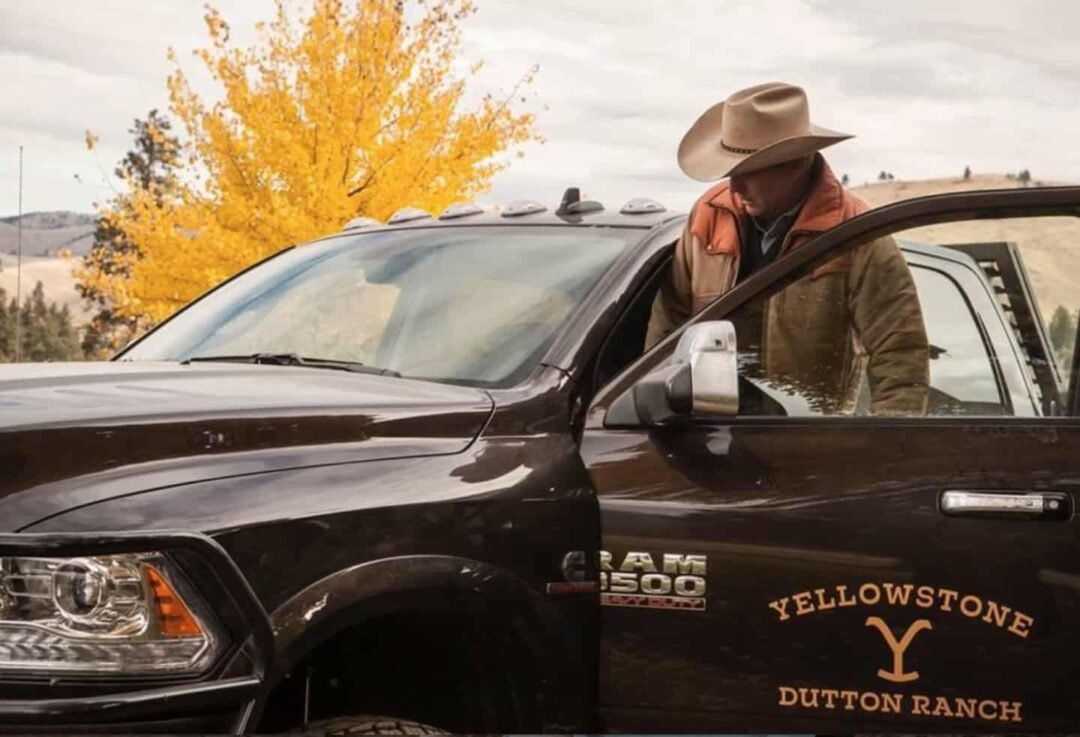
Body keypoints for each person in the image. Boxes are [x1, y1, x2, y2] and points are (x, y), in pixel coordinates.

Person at [646, 82, 929, 415]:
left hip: (805, 443)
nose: (734, 186)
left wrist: (885, 454)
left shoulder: (856, 234)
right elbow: (666, 333)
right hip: (707, 435)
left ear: (797, 163)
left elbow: (900, 355)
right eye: (732, 172)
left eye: (750, 172)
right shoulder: (707, 216)